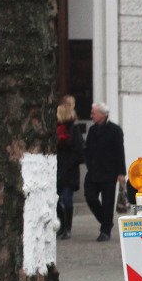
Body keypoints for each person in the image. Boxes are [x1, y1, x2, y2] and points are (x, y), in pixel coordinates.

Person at [84, 102, 126, 241]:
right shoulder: (92, 130)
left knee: (108, 202)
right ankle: (106, 220)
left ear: (102, 115)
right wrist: (88, 162)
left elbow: (120, 152)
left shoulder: (115, 130)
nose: (91, 116)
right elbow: (88, 149)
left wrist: (121, 173)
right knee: (90, 197)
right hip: (93, 171)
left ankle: (105, 231)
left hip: (109, 172)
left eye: (94, 113)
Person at [56, 96, 83, 240]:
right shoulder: (57, 131)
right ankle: (62, 225)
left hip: (69, 171)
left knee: (67, 199)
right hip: (58, 170)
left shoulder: (73, 130)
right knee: (55, 200)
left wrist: (69, 163)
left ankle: (67, 227)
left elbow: (79, 151)